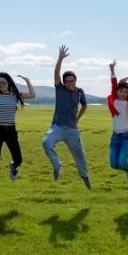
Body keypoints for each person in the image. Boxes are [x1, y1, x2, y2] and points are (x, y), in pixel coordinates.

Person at [42, 45, 91, 188]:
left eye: (72, 80)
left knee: (79, 155)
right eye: (67, 81)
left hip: (72, 129)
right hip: (57, 127)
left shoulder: (80, 92)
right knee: (46, 143)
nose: (70, 83)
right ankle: (57, 165)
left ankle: (85, 176)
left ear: (76, 80)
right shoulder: (60, 89)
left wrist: (77, 118)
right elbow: (56, 73)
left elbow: (85, 105)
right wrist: (60, 58)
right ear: (64, 82)